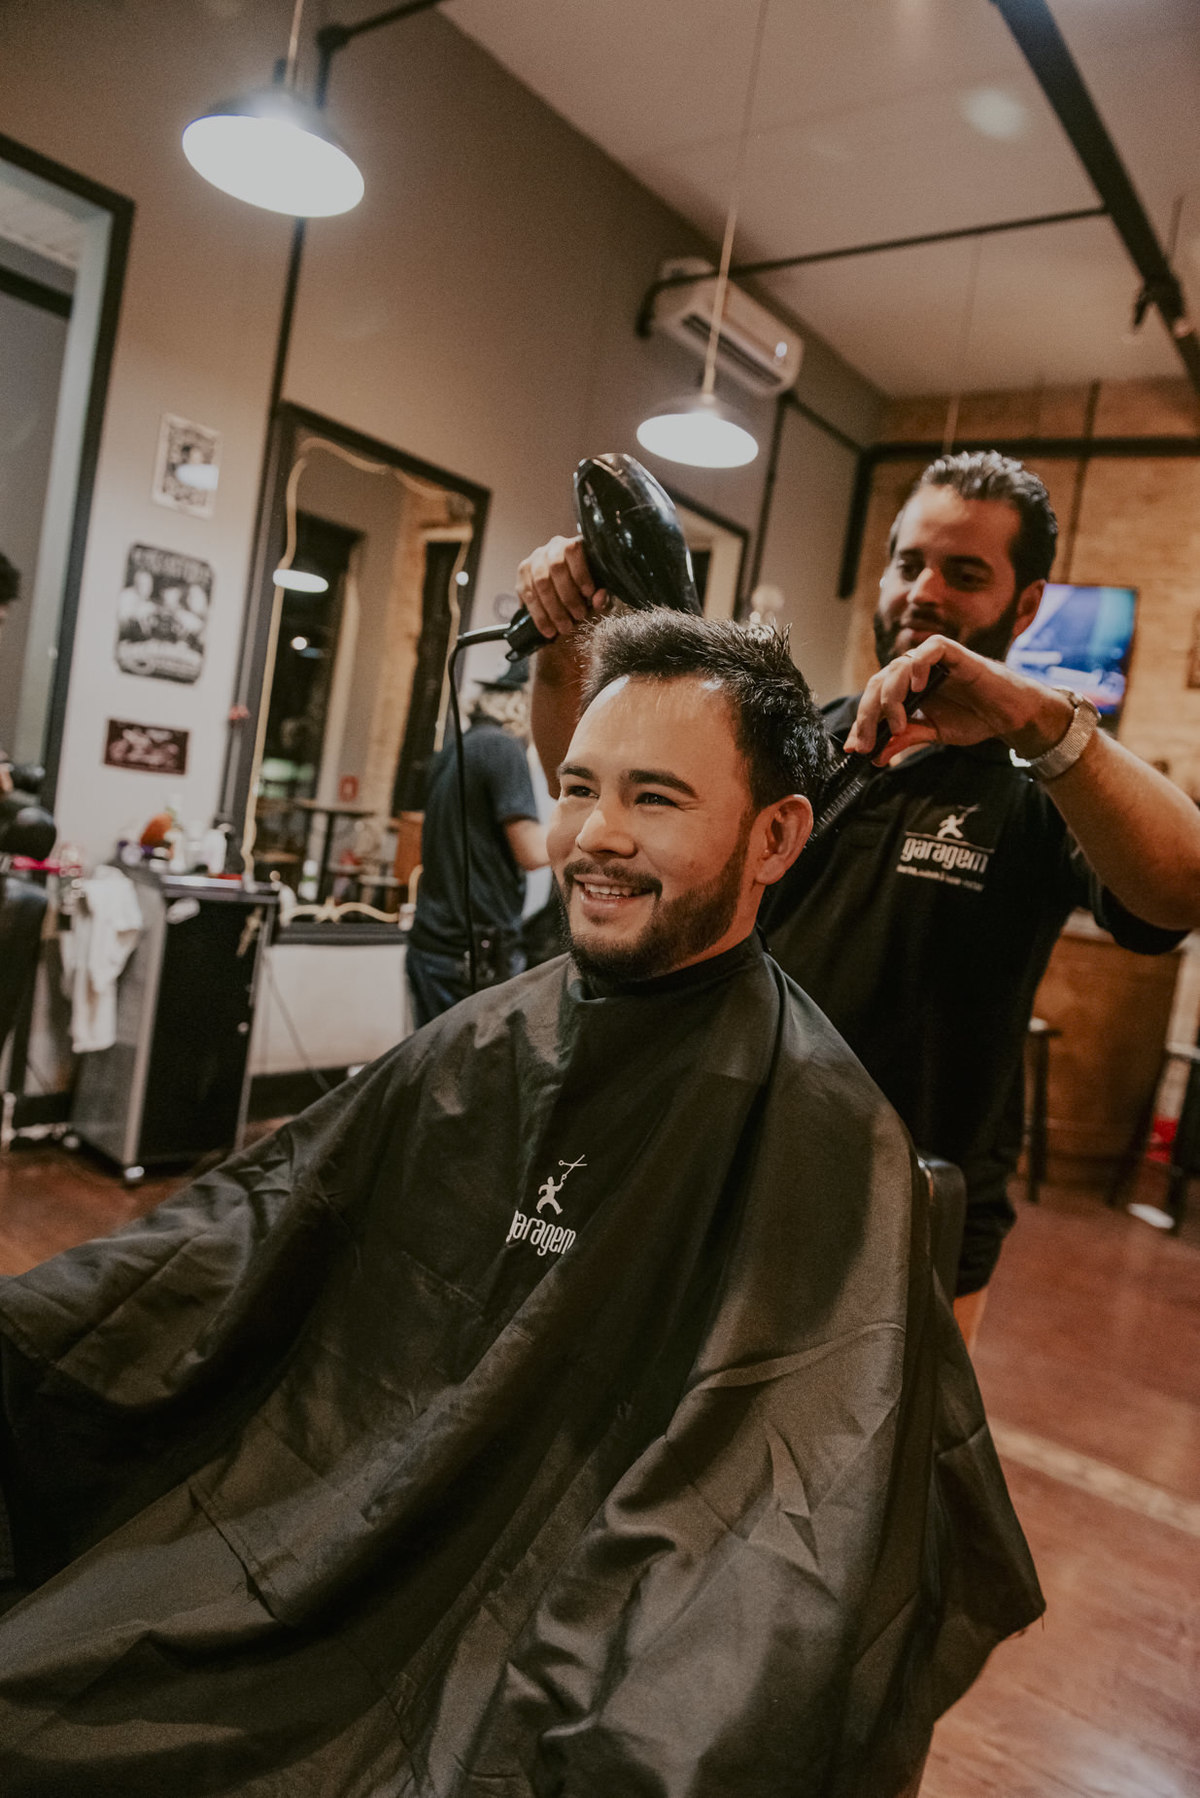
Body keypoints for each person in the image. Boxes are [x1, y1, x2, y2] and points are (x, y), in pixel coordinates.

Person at [0, 613, 1041, 1796]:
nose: (595, 835)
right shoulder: (487, 1036)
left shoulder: (824, 1132)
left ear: (776, 835)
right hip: (302, 1529)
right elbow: (238, 1234)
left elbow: (777, 1520)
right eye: (579, 788)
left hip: (533, 1631)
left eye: (654, 798)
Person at [516, 451, 1200, 1348]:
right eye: (910, 563)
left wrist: (1041, 723)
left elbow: (1182, 887)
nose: (925, 592)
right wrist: (565, 636)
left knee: (857, 1480)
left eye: (965, 574)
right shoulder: (801, 740)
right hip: (715, 1175)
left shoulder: (1045, 785)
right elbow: (598, 783)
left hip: (905, 1221)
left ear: (1026, 605)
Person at [407, 659, 548, 1025]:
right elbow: (532, 852)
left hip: (433, 944)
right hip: (472, 955)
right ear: (524, 706)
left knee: (435, 1070)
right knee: (479, 1079)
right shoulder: (503, 749)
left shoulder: (457, 747)